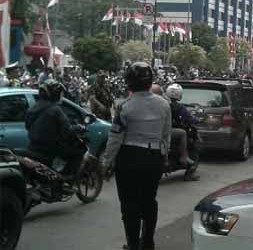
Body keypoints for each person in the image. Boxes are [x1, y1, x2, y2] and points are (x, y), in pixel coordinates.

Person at [101, 62, 171, 250]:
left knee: (129, 204)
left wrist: (106, 163)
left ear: (129, 82)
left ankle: (133, 244)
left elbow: (115, 138)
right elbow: (166, 136)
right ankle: (148, 242)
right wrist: (163, 159)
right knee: (149, 201)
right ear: (150, 82)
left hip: (129, 158)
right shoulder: (164, 105)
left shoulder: (125, 107)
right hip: (153, 157)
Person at [25, 79, 84, 176]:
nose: (61, 95)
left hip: (32, 146)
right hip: (49, 148)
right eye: (60, 93)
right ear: (55, 94)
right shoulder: (55, 110)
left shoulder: (33, 108)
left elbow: (27, 126)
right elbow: (67, 131)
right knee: (77, 153)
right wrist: (77, 128)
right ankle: (66, 178)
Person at [165, 84, 198, 171]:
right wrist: (196, 120)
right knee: (183, 133)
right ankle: (184, 156)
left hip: (160, 129)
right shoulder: (179, 107)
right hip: (169, 130)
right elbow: (189, 118)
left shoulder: (163, 103)